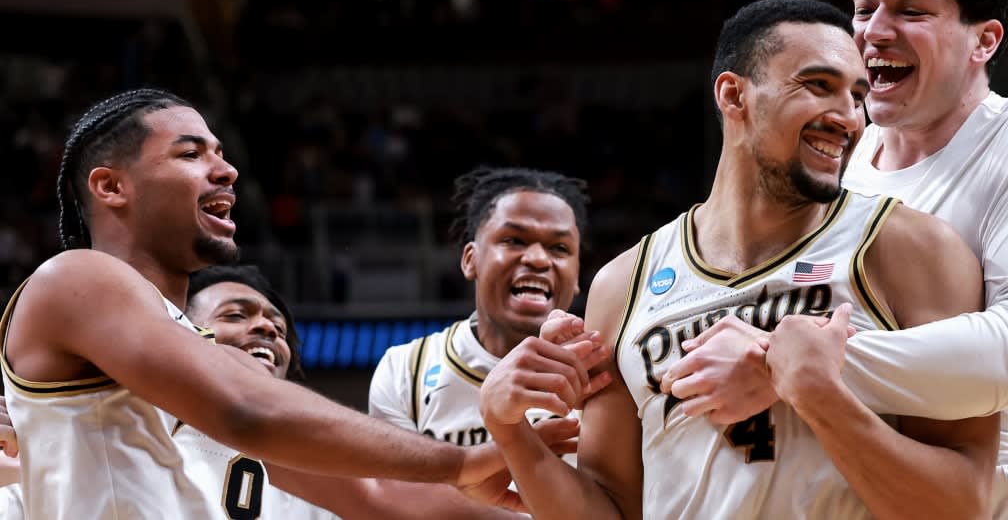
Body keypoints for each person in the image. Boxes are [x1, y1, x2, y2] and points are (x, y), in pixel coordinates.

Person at [658, 0, 1008, 519]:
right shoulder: (843, 153)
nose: (873, 31)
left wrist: (782, 367)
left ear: (985, 39)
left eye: (912, 10)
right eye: (866, 7)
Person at [478, 0, 1001, 519]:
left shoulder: (910, 250)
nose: (848, 117)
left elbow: (963, 505)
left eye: (857, 95)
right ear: (734, 95)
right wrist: (508, 429)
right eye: (818, 86)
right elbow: (612, 511)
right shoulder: (623, 284)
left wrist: (818, 397)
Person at [0, 89, 583, 518]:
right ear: (110, 186)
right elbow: (247, 409)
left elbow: (376, 495)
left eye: (221, 153)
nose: (225, 169)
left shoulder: (205, 359)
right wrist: (460, 462)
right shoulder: (76, 278)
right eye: (190, 154)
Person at [181, 264, 581, 519]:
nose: (268, 328)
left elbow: (381, 496)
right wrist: (470, 460)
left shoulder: (319, 492)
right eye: (235, 315)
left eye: (279, 328)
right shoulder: (145, 391)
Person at [369, 166, 604, 518]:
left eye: (559, 248)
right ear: (470, 259)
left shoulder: (605, 372)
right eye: (514, 240)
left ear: (576, 279)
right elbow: (394, 503)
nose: (539, 259)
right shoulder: (406, 368)